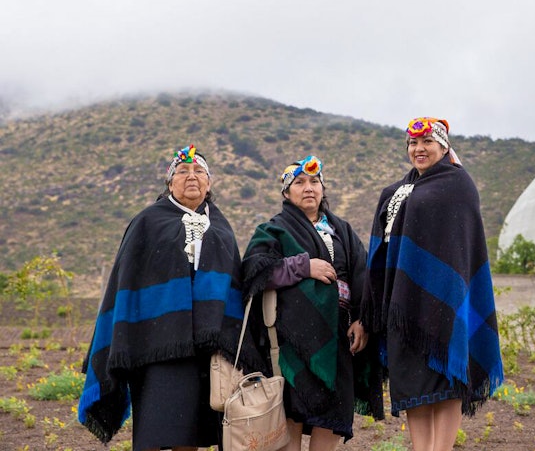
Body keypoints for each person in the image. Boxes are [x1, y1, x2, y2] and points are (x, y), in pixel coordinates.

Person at [79, 145, 253, 451]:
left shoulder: (221, 227)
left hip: (207, 346)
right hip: (157, 343)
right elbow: (127, 279)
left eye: (199, 172)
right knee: (155, 429)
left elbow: (232, 283)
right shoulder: (148, 221)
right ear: (169, 183)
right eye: (183, 172)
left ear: (209, 183)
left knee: (191, 433)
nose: (192, 177)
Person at [362, 117, 505, 451]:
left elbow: (461, 251)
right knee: (413, 386)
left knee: (447, 382)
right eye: (413, 143)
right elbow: (381, 253)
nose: (419, 149)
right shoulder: (395, 192)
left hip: (445, 304)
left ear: (443, 147)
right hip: (402, 304)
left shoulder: (459, 185)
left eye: (427, 142)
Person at [241, 155, 384, 451]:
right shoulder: (273, 230)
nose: (309, 188)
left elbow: (362, 278)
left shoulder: (342, 230)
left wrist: (362, 320)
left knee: (333, 416)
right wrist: (304, 267)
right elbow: (255, 271)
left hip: (339, 339)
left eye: (315, 181)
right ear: (286, 193)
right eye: (300, 182)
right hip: (292, 342)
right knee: (292, 415)